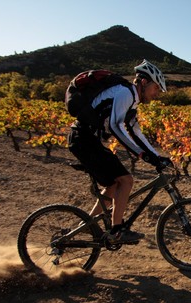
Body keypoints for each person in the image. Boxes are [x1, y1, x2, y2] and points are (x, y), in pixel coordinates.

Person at [68, 60, 171, 244]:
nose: (157, 94)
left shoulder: (132, 102)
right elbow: (116, 126)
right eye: (156, 88)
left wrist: (156, 157)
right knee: (126, 180)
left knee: (114, 185)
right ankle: (117, 230)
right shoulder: (125, 93)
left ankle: (87, 226)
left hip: (88, 141)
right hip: (83, 140)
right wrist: (141, 154)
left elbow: (136, 132)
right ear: (144, 82)